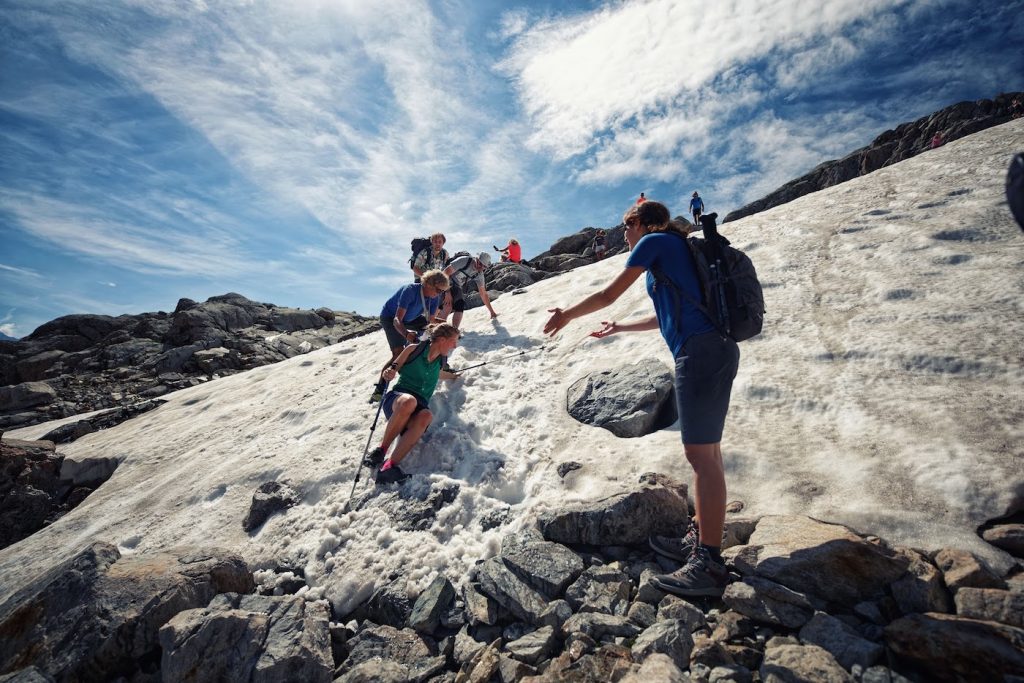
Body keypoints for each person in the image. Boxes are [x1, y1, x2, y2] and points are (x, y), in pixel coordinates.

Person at [543, 200, 739, 598]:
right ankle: (703, 536)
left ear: (646, 224)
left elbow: (607, 293)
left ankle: (709, 563)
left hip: (699, 352)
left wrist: (566, 315)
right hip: (710, 348)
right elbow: (665, 316)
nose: (625, 234)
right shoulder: (674, 249)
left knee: (701, 457)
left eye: (628, 226)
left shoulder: (655, 243)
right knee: (709, 452)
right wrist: (620, 328)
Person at [364, 322, 462, 484]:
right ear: (443, 340)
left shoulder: (441, 361)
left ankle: (389, 467)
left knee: (426, 415)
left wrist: (454, 376)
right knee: (409, 401)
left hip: (419, 404)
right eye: (453, 341)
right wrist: (389, 372)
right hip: (398, 398)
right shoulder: (413, 349)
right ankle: (380, 451)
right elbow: (394, 367)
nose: (455, 346)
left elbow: (440, 374)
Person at [379, 270, 449, 368]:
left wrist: (443, 325)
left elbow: (431, 320)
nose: (439, 294)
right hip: (390, 317)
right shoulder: (410, 290)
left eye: (442, 291)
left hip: (410, 318)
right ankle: (382, 382)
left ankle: (439, 364)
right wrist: (406, 334)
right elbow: (397, 320)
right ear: (429, 284)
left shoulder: (434, 297)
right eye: (438, 290)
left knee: (438, 329)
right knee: (398, 354)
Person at [442, 252, 498, 329]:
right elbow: (445, 273)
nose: (481, 267)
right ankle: (437, 330)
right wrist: (447, 292)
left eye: (484, 266)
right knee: (447, 306)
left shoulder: (479, 274)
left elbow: (483, 294)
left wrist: (492, 312)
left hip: (457, 287)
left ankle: (454, 331)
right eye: (480, 264)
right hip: (443, 281)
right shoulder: (465, 261)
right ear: (476, 259)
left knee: (460, 304)